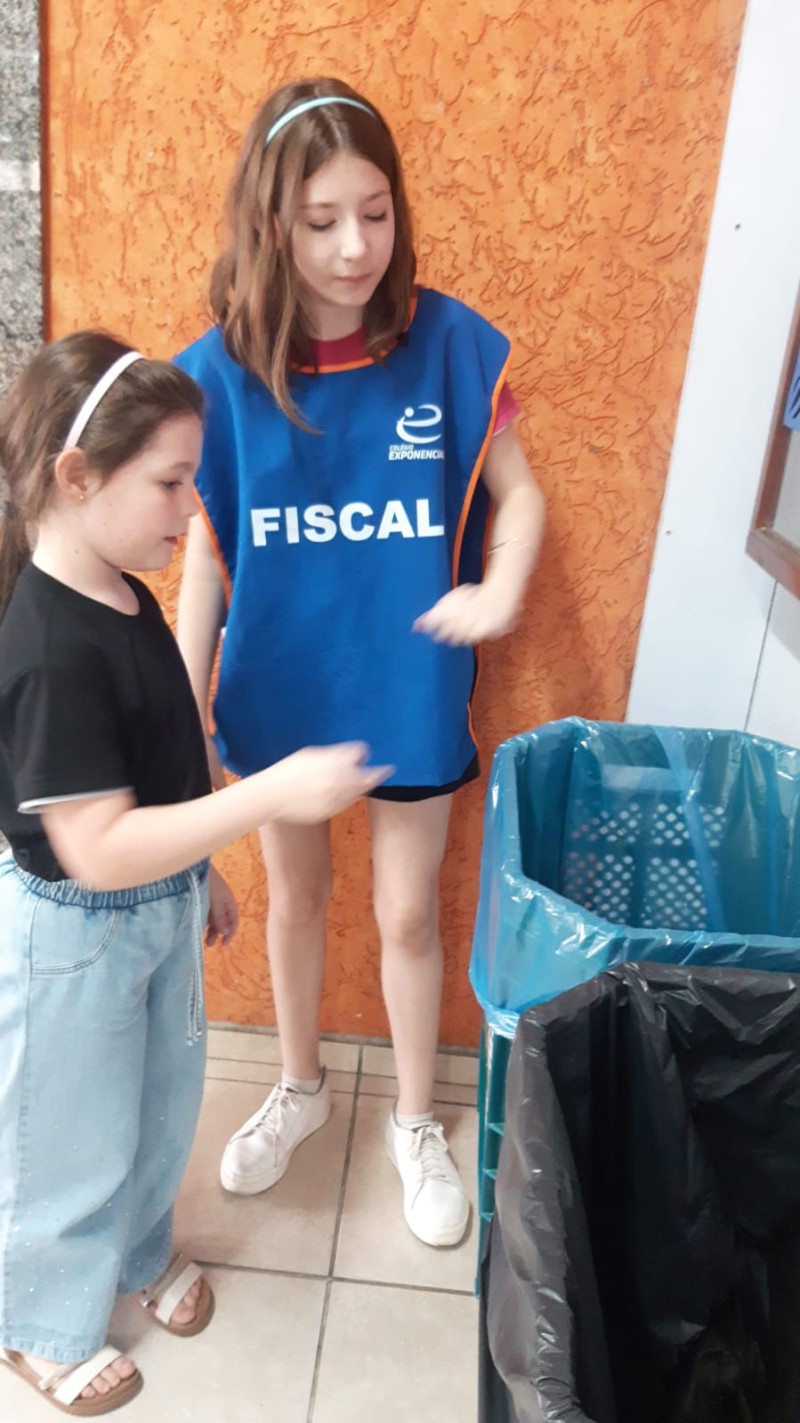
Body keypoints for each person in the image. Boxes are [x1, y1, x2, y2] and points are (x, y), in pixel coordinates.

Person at [176, 76, 545, 1250]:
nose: (353, 247)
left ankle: (414, 1119)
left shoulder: (447, 343)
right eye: (321, 219)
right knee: (293, 899)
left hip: (409, 685)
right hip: (280, 687)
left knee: (405, 913)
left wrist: (498, 590)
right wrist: (184, 710)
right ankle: (300, 1085)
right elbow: (207, 556)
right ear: (270, 224)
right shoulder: (218, 373)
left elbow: (519, 495)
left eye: (374, 213)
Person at [0, 332, 387, 1415]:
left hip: (156, 911)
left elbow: (162, 777)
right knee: (67, 1134)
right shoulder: (49, 647)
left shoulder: (123, 595)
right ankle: (38, 1320)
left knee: (158, 1105)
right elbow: (94, 846)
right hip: (76, 937)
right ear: (78, 477)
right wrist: (270, 797)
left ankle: (134, 1251)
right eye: (171, 482)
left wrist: (200, 876)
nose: (191, 505)